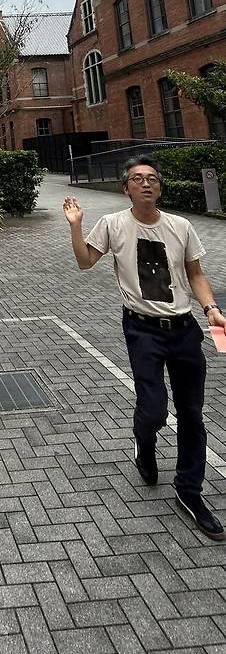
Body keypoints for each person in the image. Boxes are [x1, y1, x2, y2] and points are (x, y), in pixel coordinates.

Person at [63, 154, 226, 541]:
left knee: (191, 414)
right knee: (152, 408)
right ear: (126, 188)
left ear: (159, 186)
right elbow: (86, 262)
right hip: (142, 329)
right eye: (138, 179)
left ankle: (189, 491)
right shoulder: (114, 224)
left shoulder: (181, 225)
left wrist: (212, 308)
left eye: (152, 178)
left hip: (185, 328)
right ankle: (145, 440)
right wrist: (76, 226)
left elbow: (195, 273)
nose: (146, 183)